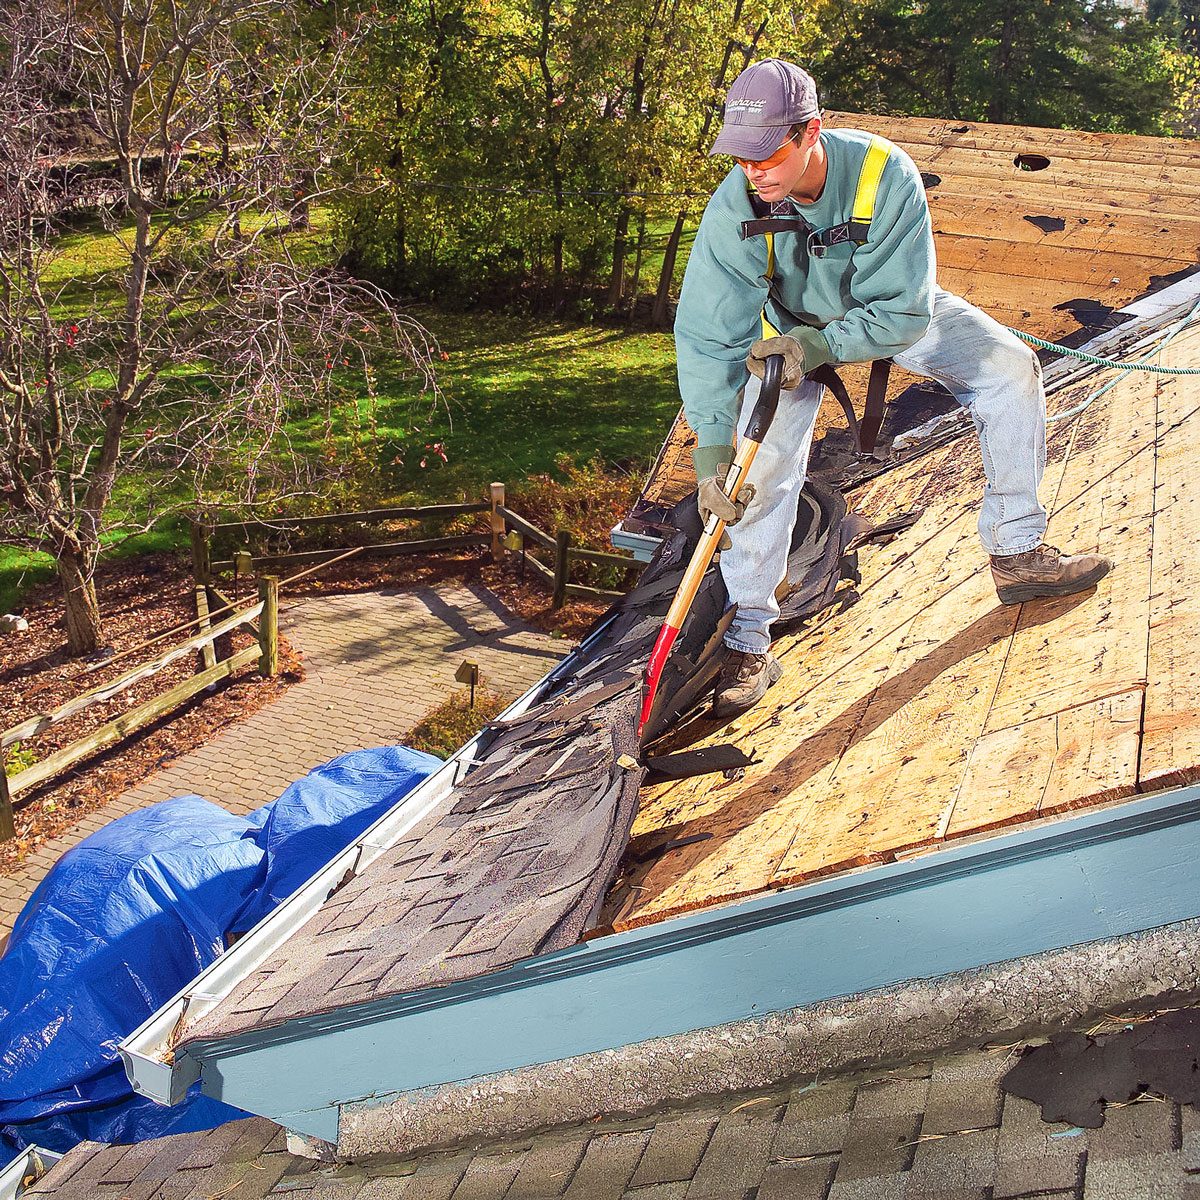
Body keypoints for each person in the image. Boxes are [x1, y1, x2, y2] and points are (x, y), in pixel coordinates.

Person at [674, 57, 1111, 717]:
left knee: (1009, 371)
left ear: (811, 131)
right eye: (740, 159)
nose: (754, 172)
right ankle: (748, 641)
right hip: (784, 335)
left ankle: (1018, 554)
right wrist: (712, 445)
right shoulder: (737, 206)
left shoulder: (884, 175)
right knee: (752, 477)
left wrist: (825, 345)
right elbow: (709, 334)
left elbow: (905, 311)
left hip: (885, 313)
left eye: (768, 155)